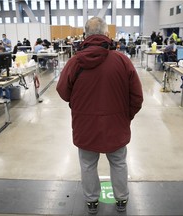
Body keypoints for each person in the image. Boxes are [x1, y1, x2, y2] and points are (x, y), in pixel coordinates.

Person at [56, 17, 143, 214]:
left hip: (85, 126)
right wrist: (125, 116)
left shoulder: (75, 62)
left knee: (87, 164)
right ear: (106, 35)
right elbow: (137, 96)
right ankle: (121, 200)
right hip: (116, 126)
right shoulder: (122, 61)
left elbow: (62, 91)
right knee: (119, 162)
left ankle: (92, 202)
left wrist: (77, 106)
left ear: (85, 36)